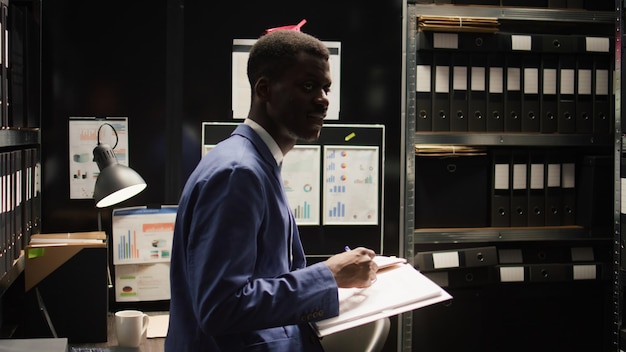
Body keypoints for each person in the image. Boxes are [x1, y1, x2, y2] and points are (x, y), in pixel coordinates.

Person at [165, 28, 378, 352]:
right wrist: (327, 276)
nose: (322, 99)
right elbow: (220, 307)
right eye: (308, 86)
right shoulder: (238, 173)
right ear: (264, 89)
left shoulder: (257, 162)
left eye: (325, 88)